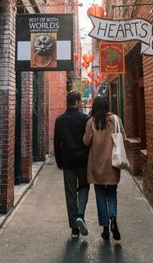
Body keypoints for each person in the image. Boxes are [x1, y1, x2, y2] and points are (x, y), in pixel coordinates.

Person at [83, 96, 126, 241]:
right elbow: (123, 139)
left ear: (94, 106)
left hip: (97, 165)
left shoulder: (91, 121)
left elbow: (86, 141)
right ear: (107, 105)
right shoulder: (115, 120)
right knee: (112, 194)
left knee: (100, 196)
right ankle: (113, 218)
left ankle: (105, 228)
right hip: (112, 165)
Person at [54, 90, 90, 239]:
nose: (81, 103)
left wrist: (59, 162)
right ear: (76, 102)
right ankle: (80, 215)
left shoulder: (60, 120)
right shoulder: (84, 118)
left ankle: (74, 229)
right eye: (80, 101)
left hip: (67, 161)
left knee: (70, 193)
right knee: (84, 187)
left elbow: (57, 143)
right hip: (83, 161)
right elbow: (89, 141)